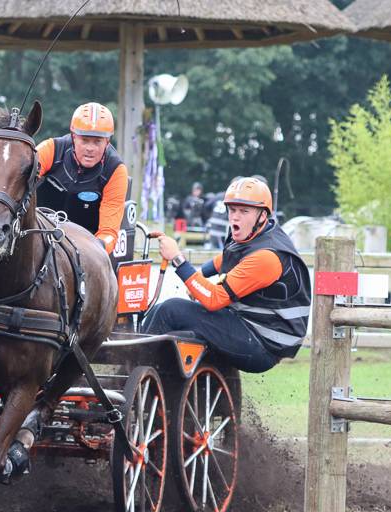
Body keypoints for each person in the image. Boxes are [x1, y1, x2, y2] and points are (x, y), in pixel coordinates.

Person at [144, 176, 311, 373]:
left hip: (263, 344)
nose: (235, 217)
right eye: (232, 210)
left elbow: (214, 299)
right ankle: (148, 371)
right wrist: (200, 276)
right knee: (158, 309)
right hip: (251, 326)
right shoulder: (258, 234)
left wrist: (177, 259)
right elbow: (225, 259)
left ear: (262, 215)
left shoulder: (266, 258)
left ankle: (136, 372)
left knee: (170, 310)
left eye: (244, 211)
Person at [35, 102, 129, 253]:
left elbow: (108, 232)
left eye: (97, 141)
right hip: (40, 232)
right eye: (84, 140)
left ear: (107, 142)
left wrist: (93, 251)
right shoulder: (50, 149)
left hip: (87, 243)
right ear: (73, 137)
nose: (90, 148)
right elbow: (20, 181)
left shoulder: (116, 170)